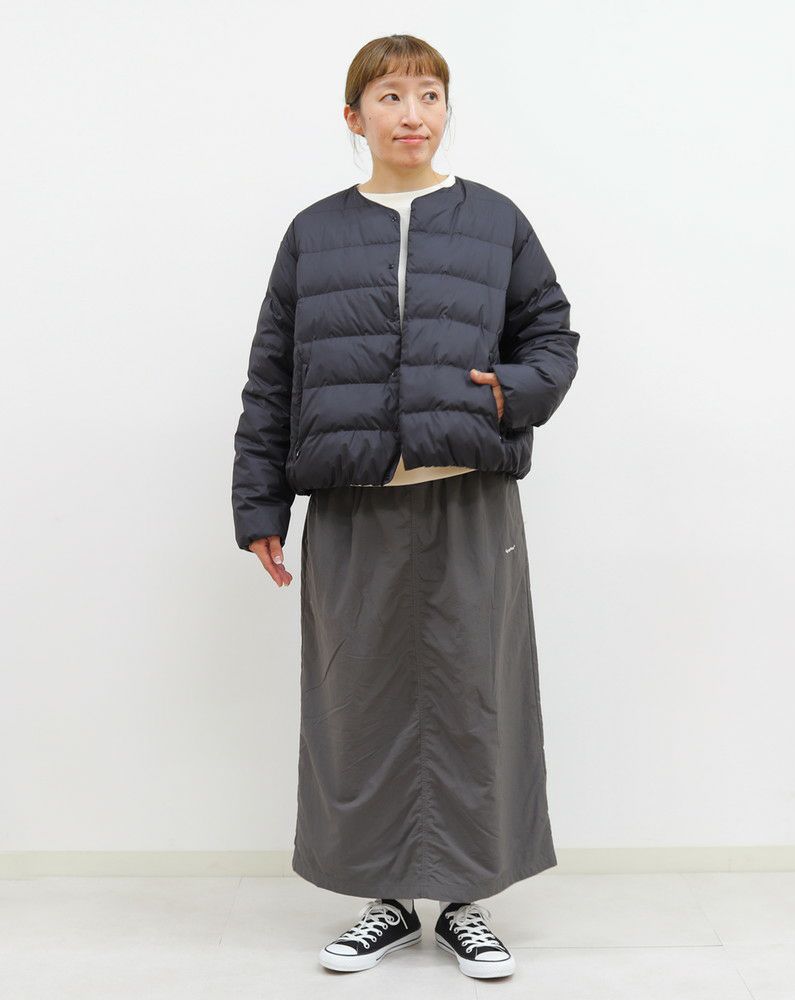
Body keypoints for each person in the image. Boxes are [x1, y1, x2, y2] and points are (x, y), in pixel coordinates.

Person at [231, 33, 580, 980]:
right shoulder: (315, 232)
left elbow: (552, 336)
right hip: (352, 503)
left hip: (468, 500)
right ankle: (383, 900)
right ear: (355, 117)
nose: (412, 113)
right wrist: (260, 504)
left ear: (446, 110)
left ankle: (466, 901)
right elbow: (272, 374)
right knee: (356, 700)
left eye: (429, 94)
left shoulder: (493, 221)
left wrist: (510, 391)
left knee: (476, 697)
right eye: (390, 96)